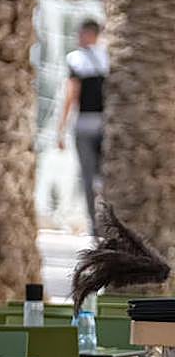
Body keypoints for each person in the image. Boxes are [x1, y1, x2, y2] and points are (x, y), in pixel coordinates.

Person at [57, 18, 108, 228]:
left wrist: (60, 128)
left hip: (85, 125)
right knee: (103, 176)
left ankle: (94, 225)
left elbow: (72, 95)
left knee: (88, 177)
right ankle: (106, 223)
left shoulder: (76, 59)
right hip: (107, 125)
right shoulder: (107, 58)